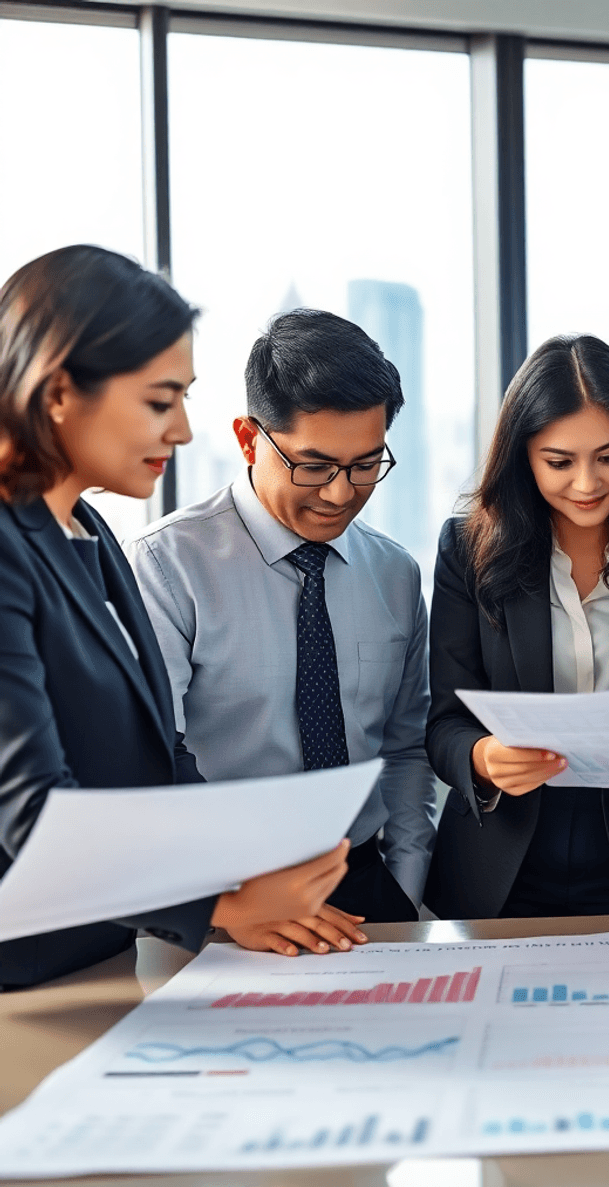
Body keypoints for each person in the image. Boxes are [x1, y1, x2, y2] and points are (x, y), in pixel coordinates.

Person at [0, 245, 350, 987]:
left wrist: (254, 859)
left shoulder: (87, 537)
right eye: (161, 401)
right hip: (19, 980)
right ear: (60, 392)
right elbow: (29, 816)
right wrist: (224, 902)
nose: (184, 430)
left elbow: (145, 765)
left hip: (96, 959)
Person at [128, 309, 436, 955]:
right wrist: (222, 906)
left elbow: (406, 750)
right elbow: (150, 757)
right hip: (227, 899)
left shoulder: (396, 574)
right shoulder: (169, 566)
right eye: (313, 465)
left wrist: (405, 889)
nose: (339, 493)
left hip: (367, 892)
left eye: (365, 465)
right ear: (248, 439)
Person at [423, 334, 609, 918]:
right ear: (523, 457)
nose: (586, 484)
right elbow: (445, 722)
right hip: (498, 875)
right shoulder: (468, 549)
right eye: (559, 462)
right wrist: (482, 758)